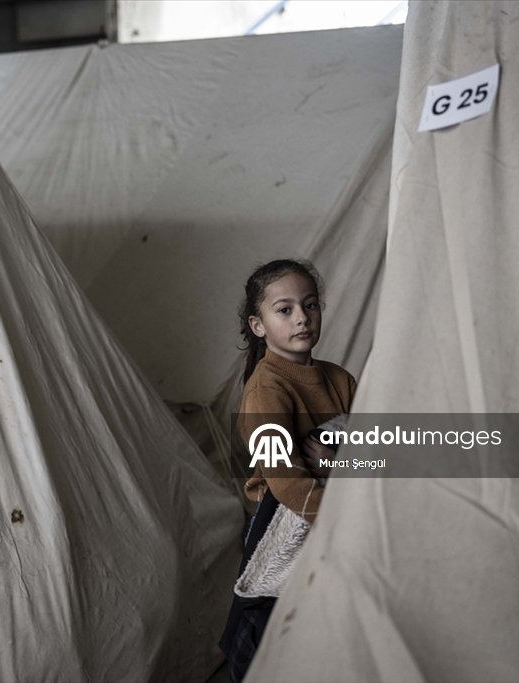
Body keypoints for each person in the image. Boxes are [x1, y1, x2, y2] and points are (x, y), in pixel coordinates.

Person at [219, 259, 356, 682]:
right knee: (282, 645)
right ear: (258, 325)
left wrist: (340, 465)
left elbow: (376, 454)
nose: (302, 318)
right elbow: (286, 480)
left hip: (341, 518)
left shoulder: (340, 380)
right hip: (286, 526)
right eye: (285, 309)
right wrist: (345, 521)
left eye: (310, 305)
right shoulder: (265, 391)